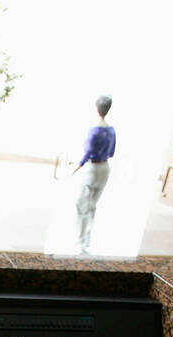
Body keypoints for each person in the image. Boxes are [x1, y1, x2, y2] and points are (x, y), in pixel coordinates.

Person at [74, 94, 116, 254]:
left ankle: (80, 240)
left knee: (82, 203)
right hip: (105, 168)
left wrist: (78, 166)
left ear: (97, 109)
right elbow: (111, 152)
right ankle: (87, 238)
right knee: (92, 204)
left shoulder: (95, 131)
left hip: (92, 168)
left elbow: (88, 151)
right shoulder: (111, 131)